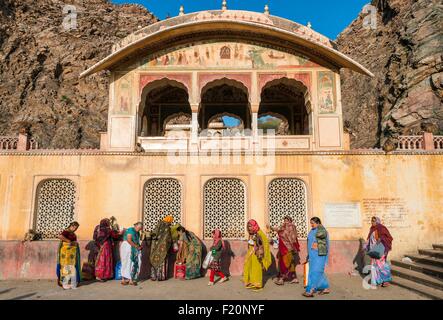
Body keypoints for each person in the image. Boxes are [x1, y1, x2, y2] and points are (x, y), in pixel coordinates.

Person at [268, 216, 301, 285]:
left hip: (288, 247)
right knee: (290, 263)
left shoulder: (291, 227)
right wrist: (271, 228)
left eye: (287, 220)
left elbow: (292, 237)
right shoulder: (283, 227)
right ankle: (294, 278)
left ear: (290, 221)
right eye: (285, 220)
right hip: (283, 247)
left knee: (285, 263)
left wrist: (280, 232)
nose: (285, 222)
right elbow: (278, 230)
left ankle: (282, 279)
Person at [303, 217, 330, 297]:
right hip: (313, 255)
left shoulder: (321, 230)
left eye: (312, 223)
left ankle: (311, 290)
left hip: (319, 255)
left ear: (318, 222)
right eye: (310, 223)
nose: (311, 225)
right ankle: (325, 287)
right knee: (316, 272)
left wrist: (316, 245)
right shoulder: (313, 230)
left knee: (315, 272)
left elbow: (323, 240)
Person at [243, 219, 271, 291]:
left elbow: (264, 243)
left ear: (254, 226)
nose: (249, 228)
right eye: (248, 226)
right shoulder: (252, 233)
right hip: (251, 253)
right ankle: (251, 282)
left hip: (256, 253)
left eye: (250, 226)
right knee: (248, 266)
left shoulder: (259, 233)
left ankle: (258, 285)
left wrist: (258, 248)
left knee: (256, 268)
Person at [366, 216, 393, 287]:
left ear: (377, 221)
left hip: (381, 250)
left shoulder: (382, 228)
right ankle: (376, 281)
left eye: (374, 221)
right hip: (373, 251)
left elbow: (389, 237)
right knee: (374, 266)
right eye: (371, 221)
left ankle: (386, 280)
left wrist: (381, 238)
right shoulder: (372, 229)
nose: (372, 222)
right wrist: (366, 246)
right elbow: (370, 239)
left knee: (382, 265)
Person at [57, 221, 81, 290]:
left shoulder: (72, 233)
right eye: (75, 228)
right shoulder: (66, 231)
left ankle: (70, 282)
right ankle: (64, 283)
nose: (75, 229)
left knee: (71, 267)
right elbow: (60, 236)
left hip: (71, 253)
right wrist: (69, 241)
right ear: (72, 226)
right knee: (66, 267)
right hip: (66, 252)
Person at [150, 215, 173, 281]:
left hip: (154, 246)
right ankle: (160, 277)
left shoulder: (158, 224)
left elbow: (153, 234)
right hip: (162, 248)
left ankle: (153, 276)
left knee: (154, 259)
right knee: (162, 260)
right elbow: (168, 239)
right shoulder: (167, 227)